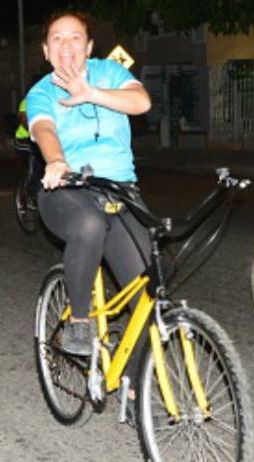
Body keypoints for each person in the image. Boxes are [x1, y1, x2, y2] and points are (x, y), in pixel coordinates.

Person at [26, 10, 152, 355]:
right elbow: (43, 129)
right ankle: (79, 323)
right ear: (45, 50)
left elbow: (141, 102)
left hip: (119, 190)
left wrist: (91, 93)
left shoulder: (108, 73)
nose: (66, 45)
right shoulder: (41, 92)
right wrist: (56, 160)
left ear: (90, 45)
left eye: (75, 37)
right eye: (57, 38)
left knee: (148, 294)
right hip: (67, 191)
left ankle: (132, 385)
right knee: (89, 225)